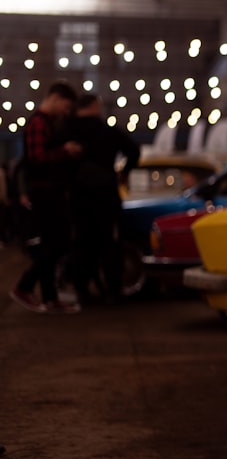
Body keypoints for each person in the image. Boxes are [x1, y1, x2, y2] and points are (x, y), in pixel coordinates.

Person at [9, 81, 82, 314]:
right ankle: (25, 286)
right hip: (46, 193)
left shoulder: (44, 123)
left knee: (53, 243)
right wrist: (65, 151)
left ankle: (50, 298)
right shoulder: (39, 123)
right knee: (58, 243)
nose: (66, 112)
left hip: (47, 192)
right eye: (66, 106)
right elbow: (37, 157)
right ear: (56, 98)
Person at [67, 93, 141, 305]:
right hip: (105, 194)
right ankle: (113, 290)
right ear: (95, 106)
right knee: (109, 243)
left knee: (81, 243)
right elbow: (134, 150)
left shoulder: (67, 131)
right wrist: (124, 173)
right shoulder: (107, 131)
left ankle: (82, 291)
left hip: (77, 196)